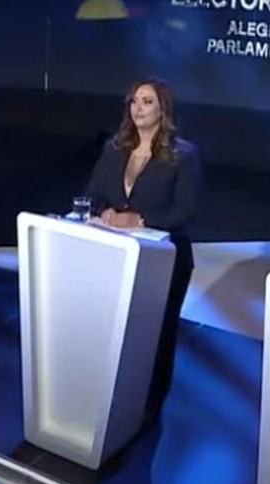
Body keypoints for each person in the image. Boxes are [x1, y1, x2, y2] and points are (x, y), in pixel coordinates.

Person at [85, 79, 200, 426]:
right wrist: (104, 211)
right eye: (134, 101)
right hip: (118, 256)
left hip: (165, 260)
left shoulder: (183, 155)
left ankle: (150, 407)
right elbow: (93, 194)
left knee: (157, 335)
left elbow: (185, 212)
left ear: (162, 109)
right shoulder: (115, 148)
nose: (138, 108)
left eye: (147, 102)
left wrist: (140, 219)